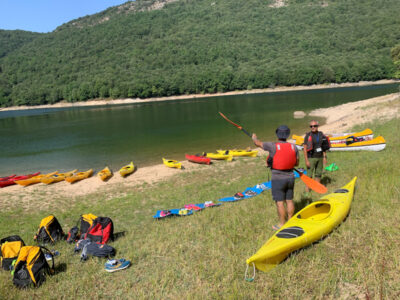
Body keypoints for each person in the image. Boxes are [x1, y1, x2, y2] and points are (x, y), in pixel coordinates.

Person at [252, 125, 299, 230]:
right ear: (287, 135)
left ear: (277, 134)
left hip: (278, 178)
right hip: (291, 177)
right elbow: (296, 163)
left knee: (280, 202)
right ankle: (291, 221)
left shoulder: (272, 145)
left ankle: (282, 224)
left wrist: (254, 137)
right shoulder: (294, 147)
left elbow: (257, 143)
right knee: (289, 200)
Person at [303, 120, 327, 195]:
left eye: (314, 126)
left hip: (320, 157)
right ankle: (307, 191)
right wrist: (306, 160)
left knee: (318, 174)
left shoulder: (321, 134)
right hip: (311, 157)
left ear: (317, 126)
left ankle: (317, 189)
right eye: (311, 126)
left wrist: (324, 157)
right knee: (309, 175)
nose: (313, 127)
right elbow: (304, 148)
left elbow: (323, 146)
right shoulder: (308, 135)